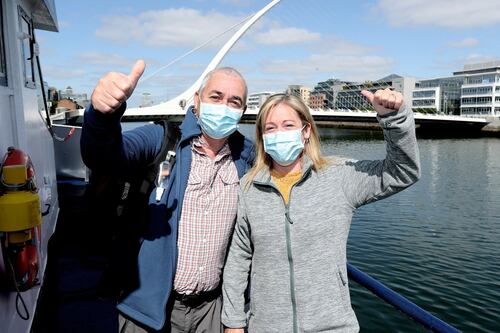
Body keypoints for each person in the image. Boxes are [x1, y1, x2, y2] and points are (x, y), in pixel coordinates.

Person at [221, 90, 421, 333]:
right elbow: (238, 260)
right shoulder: (248, 188)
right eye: (270, 128)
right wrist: (233, 323)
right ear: (262, 137)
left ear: (306, 131)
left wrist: (394, 119)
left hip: (332, 326)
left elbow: (402, 172)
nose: (279, 134)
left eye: (288, 125)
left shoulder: (338, 176)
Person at [81, 60, 254, 332]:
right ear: (197, 100)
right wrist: (102, 117)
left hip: (211, 310)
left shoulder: (246, 157)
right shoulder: (161, 139)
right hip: (147, 309)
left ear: (243, 111)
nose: (223, 107)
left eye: (234, 102)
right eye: (216, 97)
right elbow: (103, 157)